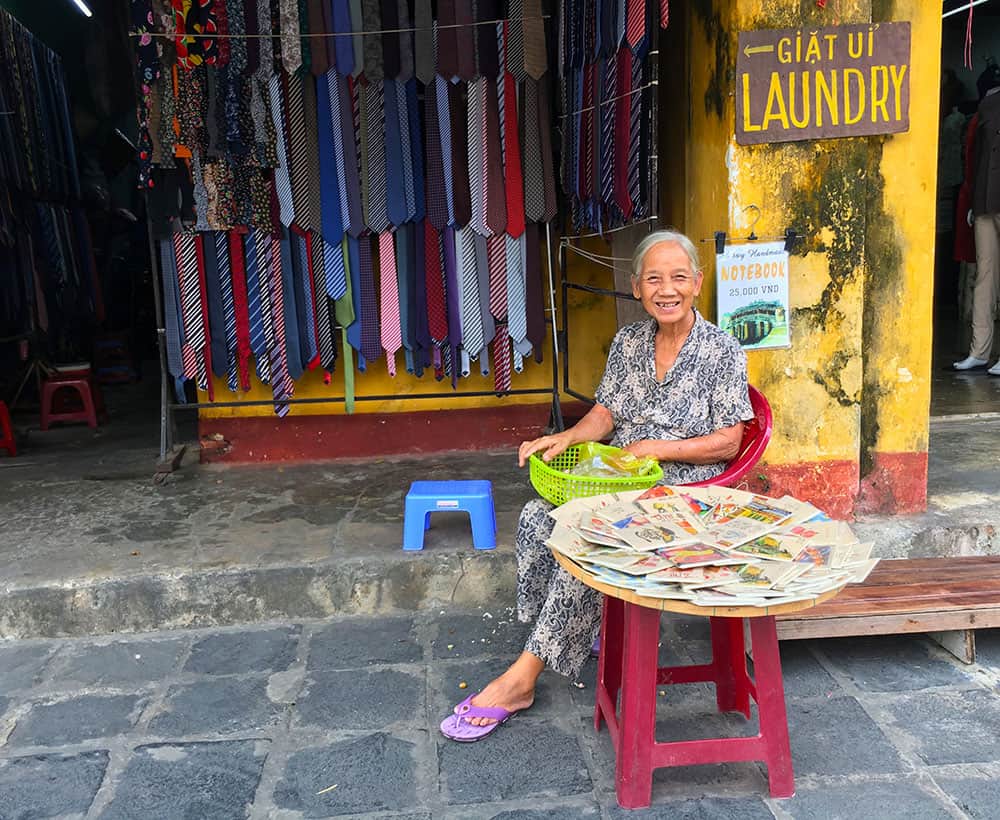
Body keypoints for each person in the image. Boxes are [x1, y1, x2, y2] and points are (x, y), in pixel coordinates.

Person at [439, 229, 755, 741]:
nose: (666, 289)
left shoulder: (722, 349)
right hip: (618, 479)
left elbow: (728, 441)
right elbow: (605, 414)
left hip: (680, 495)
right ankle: (564, 630)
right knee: (536, 517)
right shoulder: (630, 342)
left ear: (698, 283)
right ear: (636, 288)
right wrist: (563, 437)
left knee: (586, 544)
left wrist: (656, 448)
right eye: (654, 278)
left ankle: (523, 678)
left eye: (678, 277)